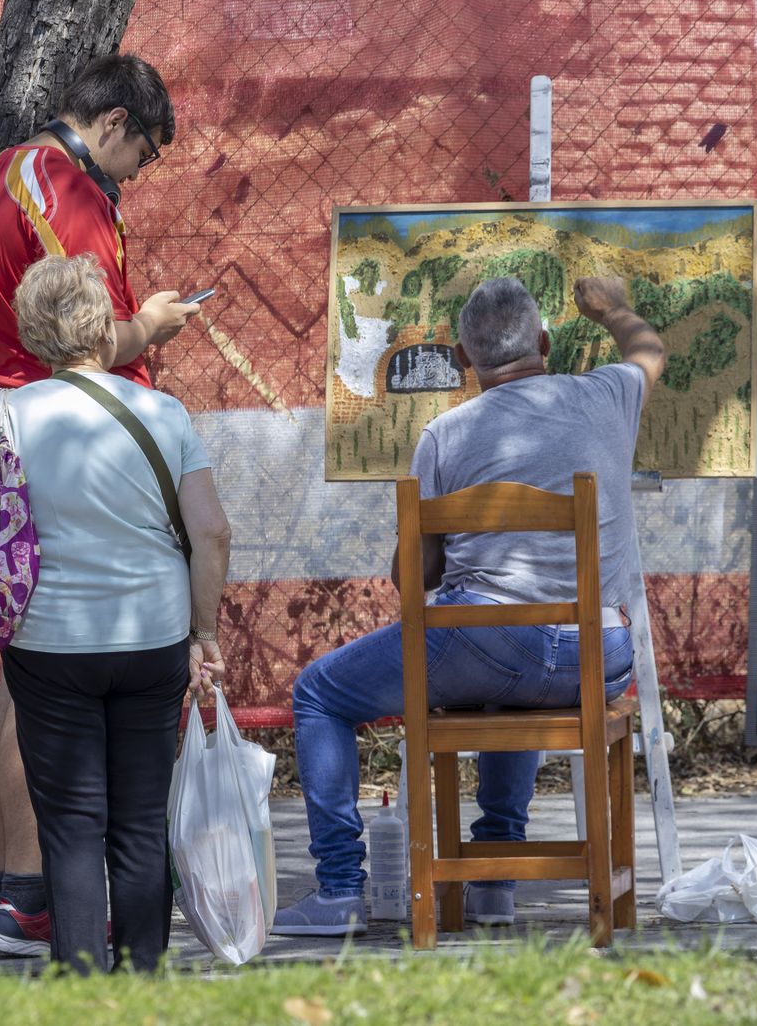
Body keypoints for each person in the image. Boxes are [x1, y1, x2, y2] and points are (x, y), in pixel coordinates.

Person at [272, 275, 665, 937]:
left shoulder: (444, 436)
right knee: (505, 679)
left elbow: (415, 581)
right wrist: (616, 310)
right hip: (602, 655)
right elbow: (649, 352)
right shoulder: (608, 393)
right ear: (543, 342)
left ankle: (340, 889)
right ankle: (492, 882)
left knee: (317, 692)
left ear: (462, 358)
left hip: (489, 645)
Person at [0, 53, 202, 956]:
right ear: (118, 123)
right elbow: (86, 338)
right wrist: (154, 325)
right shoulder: (69, 193)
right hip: (51, 441)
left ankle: (9, 890)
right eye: (147, 156)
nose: (139, 177)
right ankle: (26, 900)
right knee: (31, 684)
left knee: (13, 685)